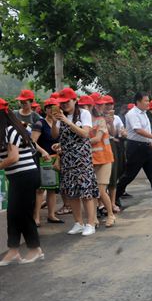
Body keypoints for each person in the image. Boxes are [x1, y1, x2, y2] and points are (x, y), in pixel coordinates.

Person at [0, 99, 44, 265]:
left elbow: (13, 157)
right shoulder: (4, 131)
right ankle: (13, 250)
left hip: (25, 176)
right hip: (18, 177)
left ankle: (35, 249)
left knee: (24, 214)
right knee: (13, 214)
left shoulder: (10, 130)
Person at [53, 88, 100, 236]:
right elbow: (55, 135)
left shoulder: (84, 113)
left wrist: (66, 121)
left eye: (67, 102)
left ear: (74, 100)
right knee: (71, 192)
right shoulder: (61, 116)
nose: (65, 105)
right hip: (67, 158)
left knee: (86, 191)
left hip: (82, 158)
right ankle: (78, 222)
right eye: (62, 102)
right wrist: (55, 123)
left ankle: (91, 223)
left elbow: (85, 133)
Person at [115, 92, 152, 208]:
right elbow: (138, 130)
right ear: (138, 102)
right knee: (129, 175)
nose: (148, 103)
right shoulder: (132, 114)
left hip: (146, 146)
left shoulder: (144, 113)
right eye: (146, 101)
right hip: (136, 147)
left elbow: (146, 129)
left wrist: (150, 142)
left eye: (148, 101)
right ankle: (115, 196)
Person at [31, 97, 63, 225]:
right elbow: (32, 142)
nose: (52, 109)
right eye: (49, 107)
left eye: (54, 107)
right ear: (45, 109)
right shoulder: (40, 123)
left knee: (52, 188)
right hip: (42, 159)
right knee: (40, 189)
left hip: (55, 159)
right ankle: (36, 217)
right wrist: (43, 151)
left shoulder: (60, 123)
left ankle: (51, 215)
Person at [89, 98, 116, 227]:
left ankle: (110, 215)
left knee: (100, 189)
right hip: (91, 159)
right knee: (92, 190)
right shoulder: (83, 121)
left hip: (104, 158)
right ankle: (93, 218)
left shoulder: (100, 120)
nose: (100, 107)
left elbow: (98, 138)